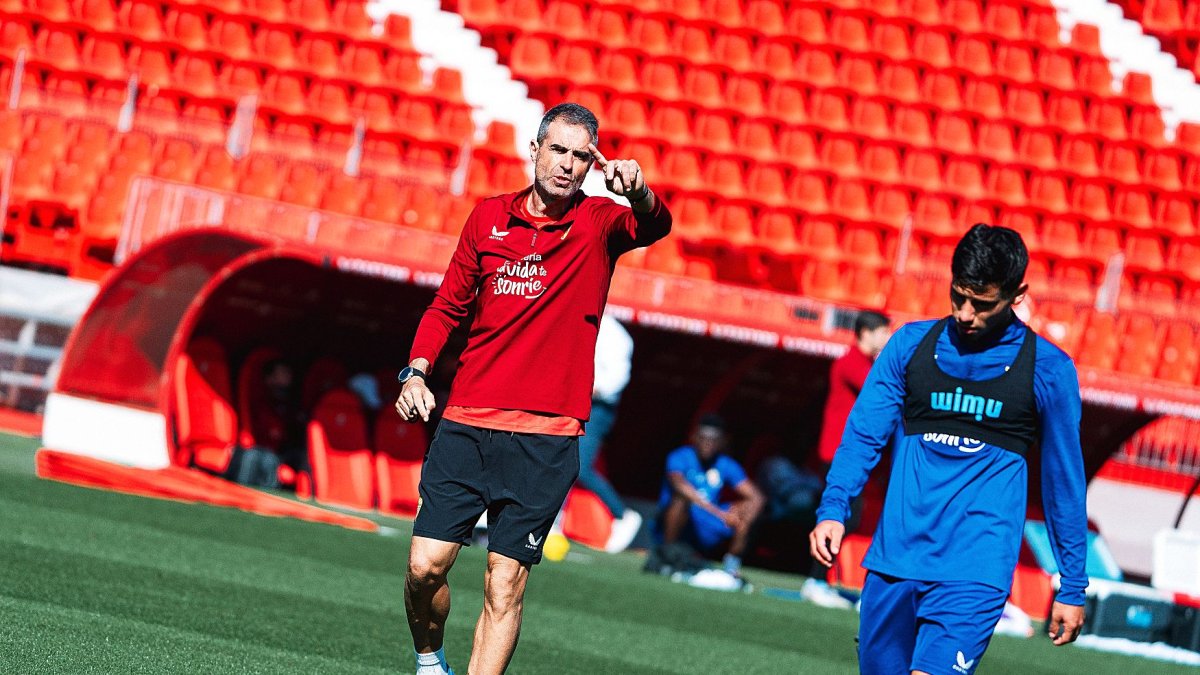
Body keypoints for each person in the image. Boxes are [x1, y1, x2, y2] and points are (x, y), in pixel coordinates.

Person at [394, 102, 671, 675]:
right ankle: (429, 660)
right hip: (466, 424)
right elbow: (446, 307)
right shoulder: (487, 218)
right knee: (425, 567)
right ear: (535, 151)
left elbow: (654, 224)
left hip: (545, 439)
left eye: (580, 156)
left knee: (505, 584)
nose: (567, 165)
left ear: (593, 164)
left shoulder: (599, 223)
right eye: (558, 150)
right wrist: (416, 370)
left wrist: (638, 190)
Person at [809, 224, 1088, 675]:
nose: (965, 313)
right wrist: (833, 507)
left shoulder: (1049, 371)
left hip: (975, 567)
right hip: (894, 558)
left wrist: (1073, 583)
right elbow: (863, 433)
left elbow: (1064, 483)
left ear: (1017, 295)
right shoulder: (909, 346)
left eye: (982, 304)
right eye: (958, 296)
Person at [803, 310, 892, 608]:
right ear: (866, 333)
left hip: (851, 455)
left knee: (850, 516)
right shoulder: (850, 362)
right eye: (883, 332)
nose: (888, 338)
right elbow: (881, 388)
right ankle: (815, 580)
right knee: (839, 517)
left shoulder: (862, 362)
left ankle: (819, 579)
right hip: (837, 453)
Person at [656, 413, 765, 580]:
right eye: (704, 438)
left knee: (750, 507)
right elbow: (680, 486)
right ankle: (667, 557)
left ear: (722, 442)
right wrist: (718, 513)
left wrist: (741, 515)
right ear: (694, 437)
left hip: (709, 525)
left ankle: (731, 565)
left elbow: (756, 497)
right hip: (684, 522)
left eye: (714, 440)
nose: (708, 444)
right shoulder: (680, 457)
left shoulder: (726, 464)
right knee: (680, 501)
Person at [578, 314, 642, 553]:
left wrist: (586, 388)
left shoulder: (614, 333)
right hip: (570, 399)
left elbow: (617, 378)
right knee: (556, 459)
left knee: (580, 467)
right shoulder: (577, 318)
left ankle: (622, 514)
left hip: (597, 406)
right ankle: (553, 520)